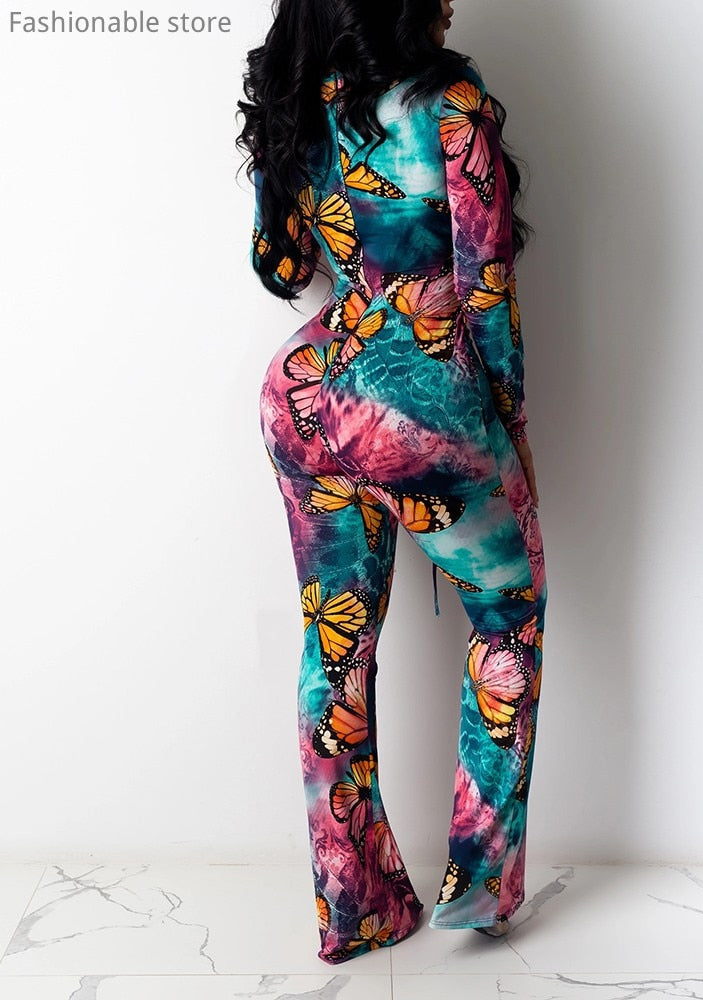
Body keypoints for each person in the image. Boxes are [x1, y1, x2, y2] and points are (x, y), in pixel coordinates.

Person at [236, 0, 547, 965]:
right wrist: (509, 433)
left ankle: (357, 906)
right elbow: (485, 292)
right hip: (420, 398)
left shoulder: (296, 97)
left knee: (335, 643)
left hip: (304, 391)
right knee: (509, 614)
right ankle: (480, 892)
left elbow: (279, 263)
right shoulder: (452, 104)